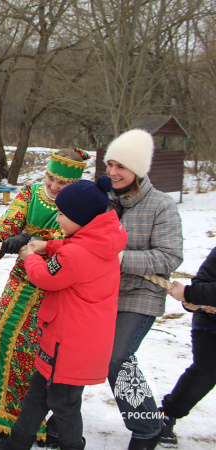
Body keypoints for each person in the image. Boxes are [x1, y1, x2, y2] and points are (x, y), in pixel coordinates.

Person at [0, 149, 89, 446]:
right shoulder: (32, 193)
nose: (54, 185)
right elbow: (11, 220)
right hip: (22, 277)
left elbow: (73, 240)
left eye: (62, 182)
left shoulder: (81, 206)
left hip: (53, 284)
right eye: (51, 177)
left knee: (27, 349)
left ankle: (14, 422)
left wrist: (35, 241)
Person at [0, 176, 128, 450]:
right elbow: (79, 249)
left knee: (64, 404)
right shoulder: (103, 241)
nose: (57, 220)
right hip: (70, 338)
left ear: (80, 217)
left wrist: (31, 256)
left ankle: (73, 445)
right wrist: (47, 246)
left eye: (61, 214)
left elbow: (46, 277)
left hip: (69, 343)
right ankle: (17, 443)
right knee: (37, 395)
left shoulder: (75, 257)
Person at [102, 129, 183, 450]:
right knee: (87, 353)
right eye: (109, 164)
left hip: (141, 296)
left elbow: (170, 255)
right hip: (101, 293)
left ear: (138, 169)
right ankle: (62, 420)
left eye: (120, 166)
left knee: (118, 357)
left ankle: (147, 425)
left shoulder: (161, 206)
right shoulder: (103, 198)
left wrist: (121, 258)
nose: (112, 172)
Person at [159, 247, 216, 448]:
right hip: (211, 323)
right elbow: (201, 285)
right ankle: (167, 415)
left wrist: (192, 293)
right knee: (207, 371)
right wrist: (192, 298)